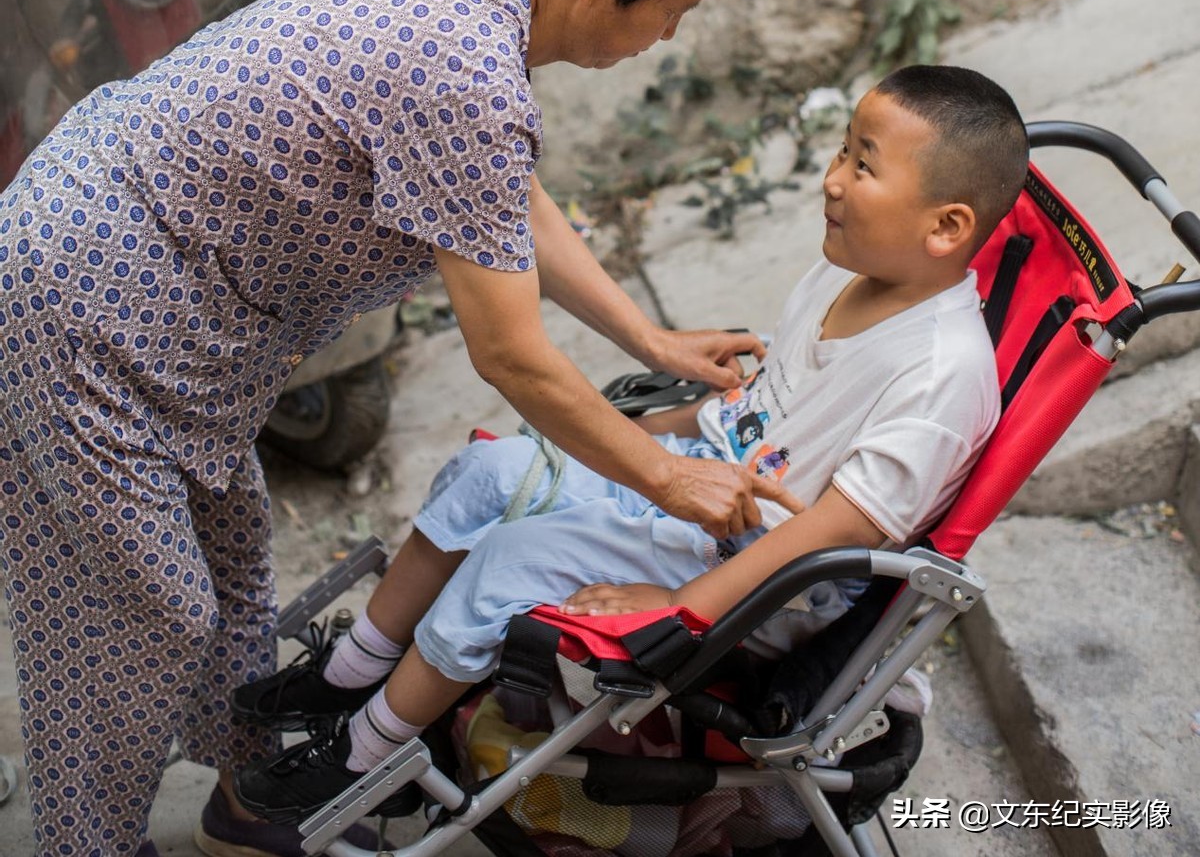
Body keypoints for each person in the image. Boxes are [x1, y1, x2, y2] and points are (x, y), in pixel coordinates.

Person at [0, 0, 778, 857]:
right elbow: (510, 358)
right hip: (91, 299)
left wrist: (651, 341)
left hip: (174, 313)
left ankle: (255, 796)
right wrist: (664, 479)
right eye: (672, 11)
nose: (668, 37)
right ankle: (88, 846)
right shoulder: (467, 76)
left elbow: (508, 199)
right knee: (145, 617)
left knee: (233, 577)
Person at [231, 65, 1026, 825]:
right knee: (486, 474)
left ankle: (366, 758)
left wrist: (682, 613)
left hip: (752, 578)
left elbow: (829, 539)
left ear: (947, 226)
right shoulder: (850, 269)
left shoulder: (939, 377)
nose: (832, 177)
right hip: (702, 489)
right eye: (842, 150)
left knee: (507, 562)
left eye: (863, 164)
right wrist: (624, 449)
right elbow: (745, 414)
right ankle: (354, 674)